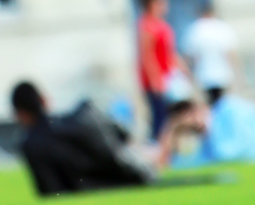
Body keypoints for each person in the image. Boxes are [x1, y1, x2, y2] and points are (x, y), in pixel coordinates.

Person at [10, 82, 154, 197]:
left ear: (19, 113)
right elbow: (125, 136)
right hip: (136, 176)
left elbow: (52, 192)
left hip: (98, 190)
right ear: (44, 100)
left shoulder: (32, 144)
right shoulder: (87, 113)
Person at [136, 0, 191, 139]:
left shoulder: (161, 25)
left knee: (175, 115)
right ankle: (156, 148)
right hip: (157, 81)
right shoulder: (146, 25)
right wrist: (155, 79)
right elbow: (147, 55)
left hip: (169, 78)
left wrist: (183, 68)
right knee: (160, 118)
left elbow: (169, 52)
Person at [183, 3, 240, 105]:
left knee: (210, 104)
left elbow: (191, 56)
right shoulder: (222, 28)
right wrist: (237, 74)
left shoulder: (195, 29)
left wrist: (189, 75)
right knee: (223, 104)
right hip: (223, 74)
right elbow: (230, 53)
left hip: (204, 75)